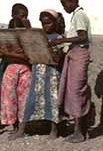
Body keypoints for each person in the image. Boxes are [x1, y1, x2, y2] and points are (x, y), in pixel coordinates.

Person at [16, 10, 66, 139]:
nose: (46, 26)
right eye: (43, 24)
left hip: (52, 73)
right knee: (32, 99)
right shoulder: (39, 35)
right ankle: (22, 129)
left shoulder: (59, 38)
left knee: (53, 100)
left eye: (48, 23)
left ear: (55, 23)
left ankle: (54, 129)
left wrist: (42, 43)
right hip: (38, 70)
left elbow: (58, 58)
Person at [55, 0, 92, 143]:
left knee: (76, 92)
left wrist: (62, 41)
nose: (64, 8)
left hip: (79, 54)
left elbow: (82, 36)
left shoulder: (80, 15)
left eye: (65, 4)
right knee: (72, 91)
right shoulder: (76, 16)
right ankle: (79, 129)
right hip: (74, 55)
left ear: (72, 1)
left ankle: (79, 132)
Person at [0, 3, 30, 135]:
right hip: (6, 66)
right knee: (2, 95)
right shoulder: (5, 30)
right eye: (21, 16)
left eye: (26, 17)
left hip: (18, 67)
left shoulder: (26, 32)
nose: (24, 19)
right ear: (13, 16)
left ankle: (18, 124)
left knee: (19, 96)